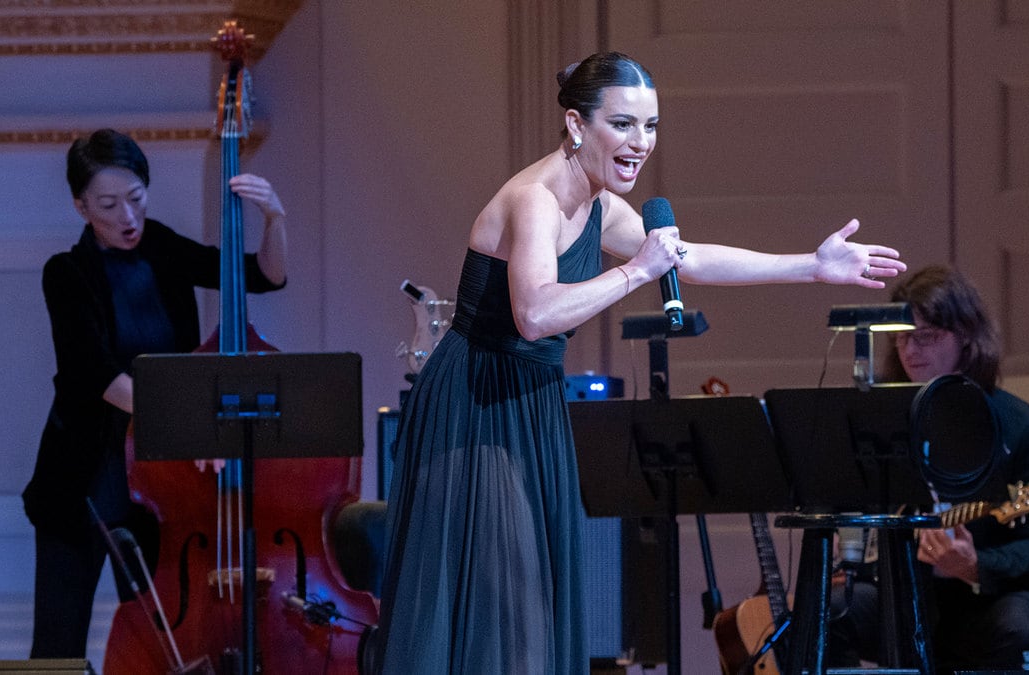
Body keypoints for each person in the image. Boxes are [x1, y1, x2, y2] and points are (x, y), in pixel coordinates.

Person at [367, 51, 907, 674]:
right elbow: (535, 314)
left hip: (530, 400)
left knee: (529, 602)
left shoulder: (600, 205)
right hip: (475, 404)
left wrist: (810, 266)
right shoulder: (535, 200)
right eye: (623, 124)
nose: (641, 142)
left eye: (650, 126)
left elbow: (691, 259)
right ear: (575, 125)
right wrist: (635, 271)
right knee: (496, 602)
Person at [21, 128, 288, 658]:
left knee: (157, 643)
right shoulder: (66, 274)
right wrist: (188, 424)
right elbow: (103, 379)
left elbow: (262, 276)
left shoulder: (161, 246)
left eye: (136, 199)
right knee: (57, 647)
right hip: (82, 482)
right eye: (108, 204)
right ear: (81, 207)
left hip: (156, 483)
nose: (127, 217)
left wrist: (276, 217)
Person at [829, 264, 1029, 673]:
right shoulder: (882, 423)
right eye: (901, 336)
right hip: (906, 594)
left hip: (986, 601)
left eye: (927, 336)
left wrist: (974, 565)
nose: (910, 350)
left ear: (966, 339)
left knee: (1018, 626)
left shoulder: (1027, 429)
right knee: (829, 612)